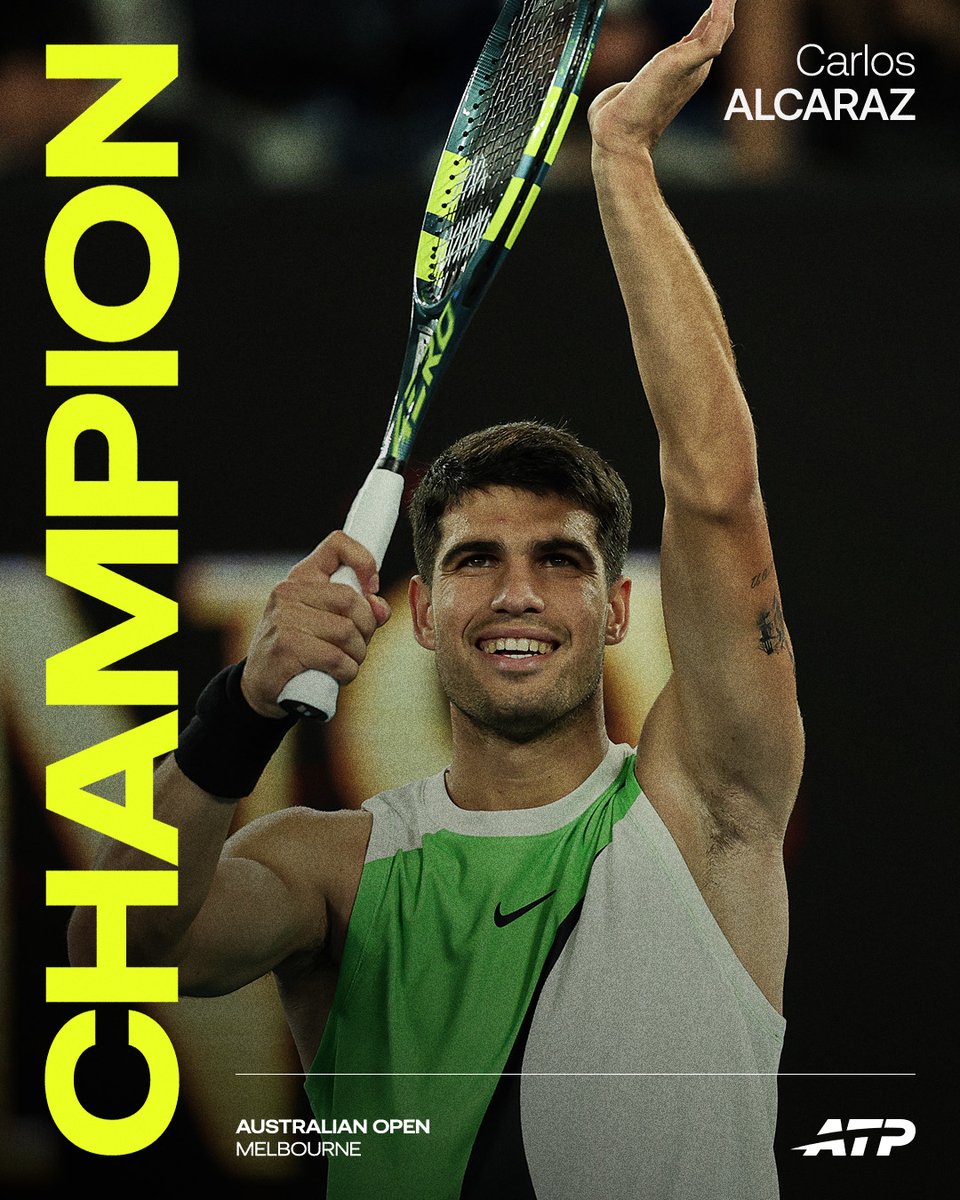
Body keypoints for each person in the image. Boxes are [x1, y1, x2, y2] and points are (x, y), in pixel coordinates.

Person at [70, 2, 803, 1196]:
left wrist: (620, 162)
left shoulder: (705, 809)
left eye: (561, 559)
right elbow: (120, 948)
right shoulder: (330, 869)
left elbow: (719, 496)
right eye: (474, 560)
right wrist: (241, 709)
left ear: (619, 610)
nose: (520, 592)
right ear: (419, 611)